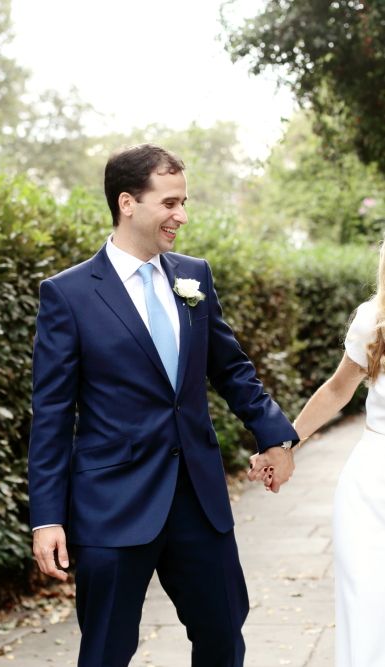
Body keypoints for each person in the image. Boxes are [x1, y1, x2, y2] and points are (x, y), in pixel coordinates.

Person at [27, 143, 299, 667]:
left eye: (184, 201)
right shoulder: (68, 294)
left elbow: (231, 369)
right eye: (170, 203)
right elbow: (53, 415)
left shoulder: (193, 275)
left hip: (198, 500)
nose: (182, 215)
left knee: (223, 638)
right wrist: (47, 518)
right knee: (106, 652)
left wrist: (276, 436)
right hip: (113, 506)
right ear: (127, 203)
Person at [250, 240, 385, 667]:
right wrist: (284, 446)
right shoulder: (373, 319)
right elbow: (337, 390)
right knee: (364, 610)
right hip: (370, 486)